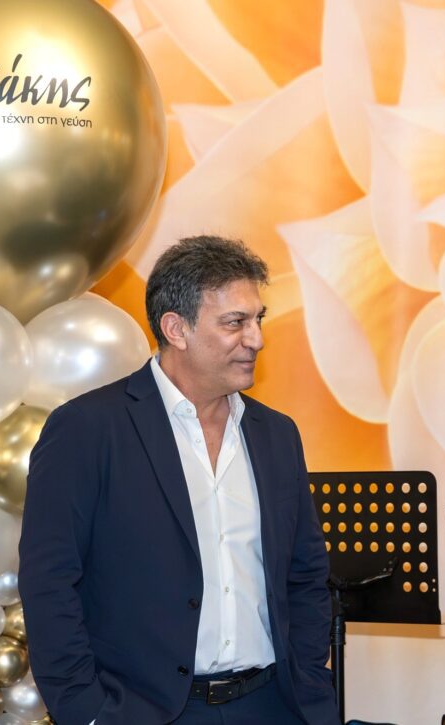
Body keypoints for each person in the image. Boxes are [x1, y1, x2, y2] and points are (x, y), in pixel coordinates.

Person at [18, 236, 339, 725]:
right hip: (141, 711)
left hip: (272, 704)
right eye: (235, 322)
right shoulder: (87, 429)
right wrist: (87, 712)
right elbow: (49, 583)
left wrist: (310, 682)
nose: (256, 339)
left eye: (258, 319)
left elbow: (306, 574)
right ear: (176, 328)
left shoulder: (276, 434)